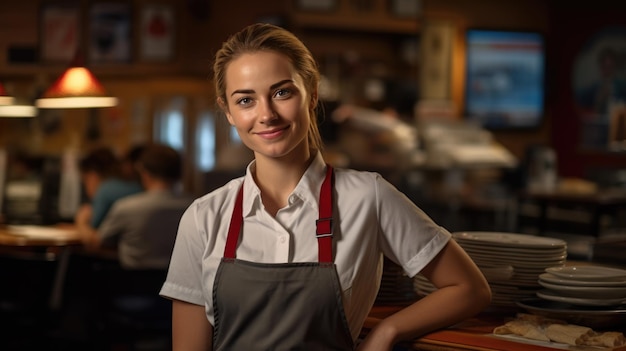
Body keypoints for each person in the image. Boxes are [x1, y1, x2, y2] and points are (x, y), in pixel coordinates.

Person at [159, 23, 491, 350]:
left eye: (281, 92)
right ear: (228, 112)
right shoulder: (203, 217)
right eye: (246, 100)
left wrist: (387, 332)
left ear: (312, 93)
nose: (267, 114)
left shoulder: (368, 197)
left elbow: (468, 288)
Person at [80, 143, 194, 269]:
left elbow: (95, 243)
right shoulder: (195, 207)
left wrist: (82, 221)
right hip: (178, 284)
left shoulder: (127, 207)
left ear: (144, 173)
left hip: (132, 285)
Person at [74, 147, 143, 238]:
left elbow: (92, 234)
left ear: (93, 175)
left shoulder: (105, 190)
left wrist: (81, 220)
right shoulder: (137, 186)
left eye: (85, 180)